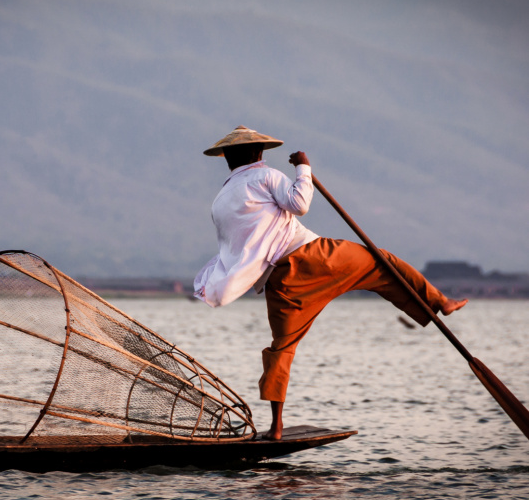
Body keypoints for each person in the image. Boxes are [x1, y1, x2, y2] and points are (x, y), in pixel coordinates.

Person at [193, 125, 468, 440]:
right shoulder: (266, 176)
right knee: (383, 263)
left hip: (279, 280)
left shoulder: (220, 199)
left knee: (281, 348)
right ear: (258, 154)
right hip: (314, 258)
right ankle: (438, 302)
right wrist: (303, 167)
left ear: (228, 158)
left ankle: (276, 427)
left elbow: (233, 249)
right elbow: (300, 204)